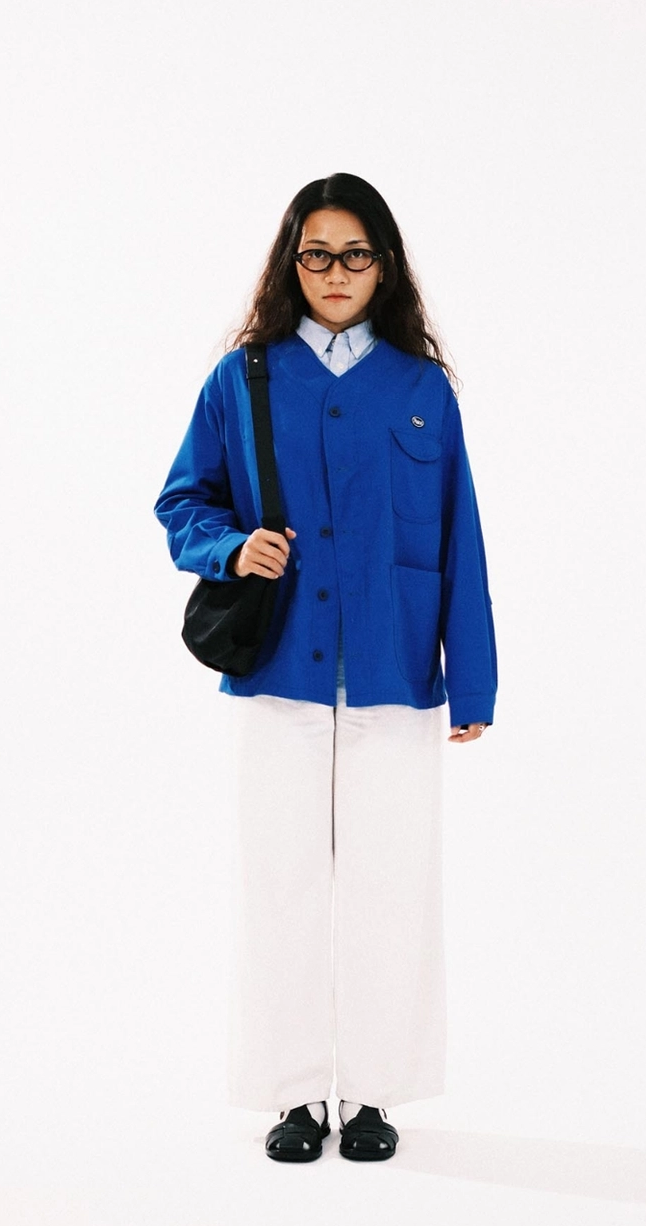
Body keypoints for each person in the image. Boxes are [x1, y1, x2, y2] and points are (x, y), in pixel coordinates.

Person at [154, 173, 496, 1163]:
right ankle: (297, 1097)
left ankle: (375, 1094)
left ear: (381, 265)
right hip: (279, 680)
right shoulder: (243, 379)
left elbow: (460, 537)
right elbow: (183, 501)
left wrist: (471, 681)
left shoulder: (421, 388)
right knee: (282, 887)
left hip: (397, 677)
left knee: (392, 889)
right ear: (290, 263)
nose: (335, 272)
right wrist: (232, 548)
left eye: (354, 254)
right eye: (316, 255)